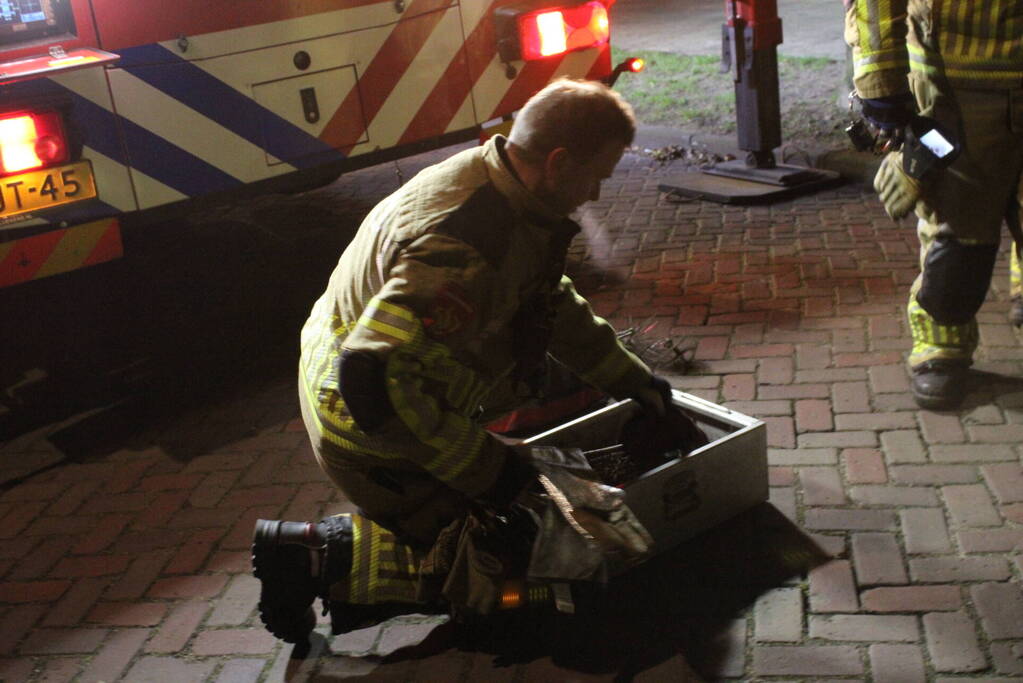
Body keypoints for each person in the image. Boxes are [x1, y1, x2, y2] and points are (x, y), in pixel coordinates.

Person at [251, 79, 681, 644]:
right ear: (557, 162)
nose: (596, 193)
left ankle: (413, 524)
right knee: (519, 565)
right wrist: (494, 474)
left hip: (367, 374)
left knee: (512, 510)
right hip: (364, 420)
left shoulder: (496, 183)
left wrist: (634, 380)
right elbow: (372, 381)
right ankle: (309, 559)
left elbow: (549, 303)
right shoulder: (468, 247)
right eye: (596, 174)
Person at [846, 0, 1023, 410]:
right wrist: (880, 80)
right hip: (955, 84)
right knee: (960, 229)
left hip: (959, 76)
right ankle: (940, 346)